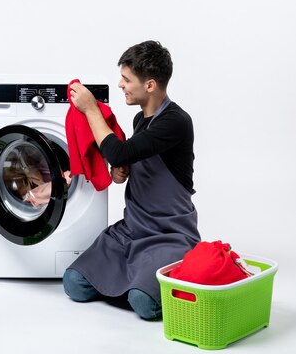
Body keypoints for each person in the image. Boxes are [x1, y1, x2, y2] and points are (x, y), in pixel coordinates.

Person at [62, 40, 200, 320]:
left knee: (144, 304)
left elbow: (117, 150)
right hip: (133, 230)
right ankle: (136, 279)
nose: (120, 85)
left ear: (150, 85)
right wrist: (121, 170)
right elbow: (129, 158)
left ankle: (144, 282)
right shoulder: (141, 121)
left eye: (126, 79)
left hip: (168, 235)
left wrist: (91, 109)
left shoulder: (176, 122)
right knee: (74, 284)